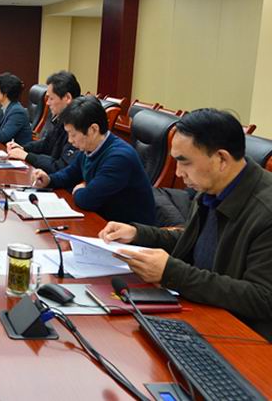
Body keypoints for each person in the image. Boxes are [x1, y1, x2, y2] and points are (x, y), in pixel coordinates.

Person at [99, 109, 272, 341]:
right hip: (203, 312)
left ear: (221, 159)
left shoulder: (265, 211)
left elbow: (262, 298)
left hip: (244, 338)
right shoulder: (212, 188)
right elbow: (195, 241)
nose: (179, 173)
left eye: (185, 162)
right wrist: (138, 234)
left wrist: (172, 273)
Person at [31, 95, 155, 224]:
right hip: (103, 220)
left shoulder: (119, 158)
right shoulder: (89, 147)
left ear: (93, 129)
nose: (70, 140)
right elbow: (69, 174)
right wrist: (49, 180)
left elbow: (87, 200)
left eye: (73, 134)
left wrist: (79, 190)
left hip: (128, 229)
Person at [6, 70, 80, 172]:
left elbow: (61, 167)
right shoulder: (61, 118)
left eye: (51, 98)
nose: (47, 103)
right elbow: (46, 144)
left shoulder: (79, 126)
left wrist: (27, 156)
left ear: (67, 98)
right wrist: (23, 148)